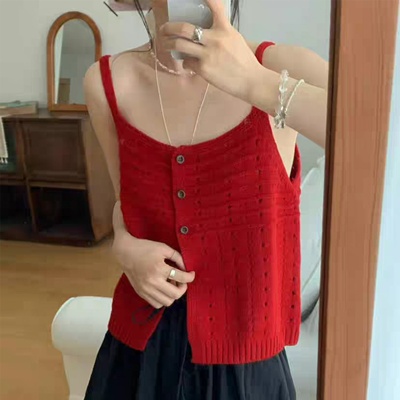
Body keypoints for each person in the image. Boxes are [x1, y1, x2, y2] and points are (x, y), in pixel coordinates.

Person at [83, 0, 328, 399]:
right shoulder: (107, 81)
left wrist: (255, 83)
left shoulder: (284, 66)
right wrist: (124, 248)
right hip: (140, 352)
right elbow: (124, 202)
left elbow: (382, 134)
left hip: (248, 360)